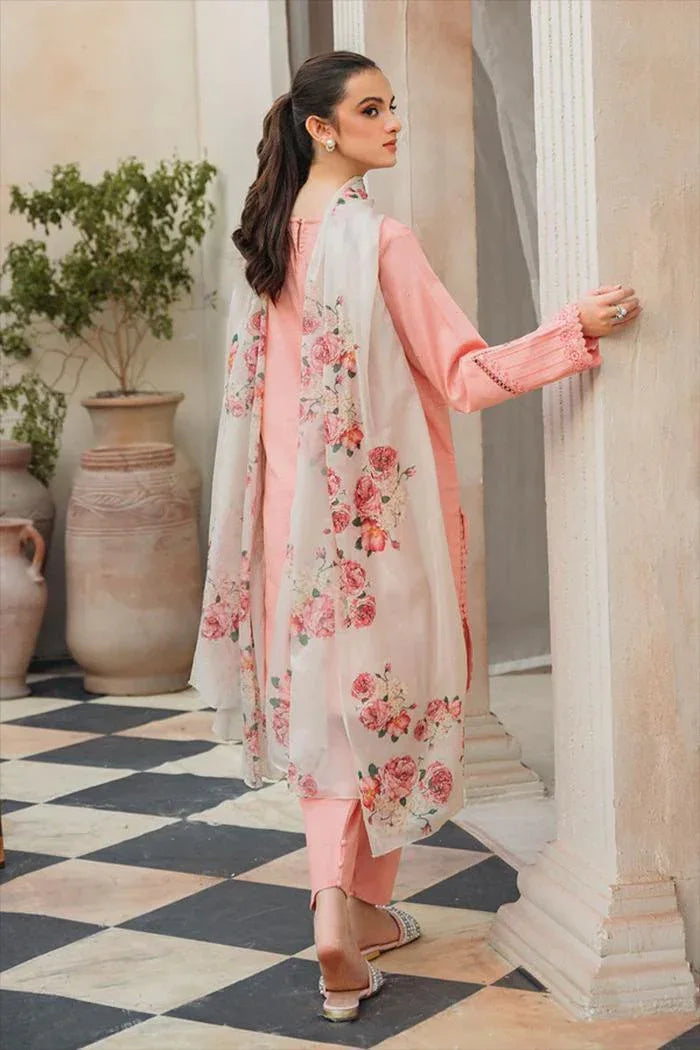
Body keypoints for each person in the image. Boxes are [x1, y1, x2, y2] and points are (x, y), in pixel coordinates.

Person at [191, 50, 640, 1022]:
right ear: (322, 128)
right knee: (388, 708)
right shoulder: (381, 241)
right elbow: (467, 378)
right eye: (370, 109)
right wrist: (576, 328)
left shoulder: (266, 247)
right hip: (377, 539)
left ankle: (342, 912)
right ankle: (353, 910)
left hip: (289, 537)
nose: (393, 122)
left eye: (393, 105)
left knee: (326, 718)